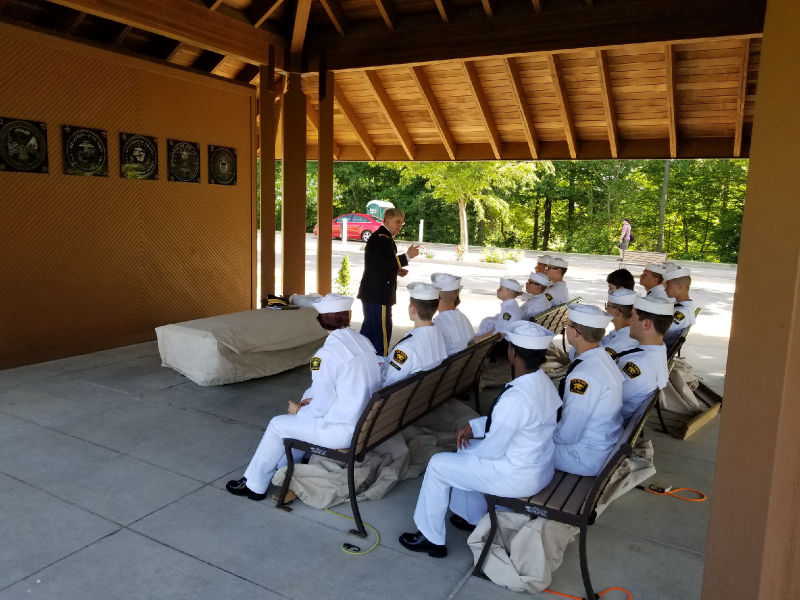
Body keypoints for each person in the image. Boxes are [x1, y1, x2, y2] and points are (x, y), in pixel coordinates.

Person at [398, 321, 562, 558]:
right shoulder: (543, 383)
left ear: (513, 353)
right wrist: (473, 427)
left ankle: (430, 537)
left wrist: (466, 448)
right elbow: (512, 423)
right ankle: (472, 517)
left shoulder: (516, 397)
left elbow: (493, 449)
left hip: (516, 475)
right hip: (538, 466)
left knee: (438, 464)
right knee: (465, 450)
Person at [226, 294, 382, 500]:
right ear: (349, 315)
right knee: (301, 411)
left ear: (321, 320)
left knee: (278, 424)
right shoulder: (363, 341)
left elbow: (320, 407)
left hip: (342, 431)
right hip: (365, 423)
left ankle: (254, 485)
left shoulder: (325, 355)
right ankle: (284, 470)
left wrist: (299, 410)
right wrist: (309, 405)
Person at [554, 304, 623, 476]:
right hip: (602, 445)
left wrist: (541, 433)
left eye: (567, 325)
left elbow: (567, 435)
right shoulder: (604, 358)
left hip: (583, 457)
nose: (566, 329)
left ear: (575, 333)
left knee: (521, 441)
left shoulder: (583, 376)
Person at [358, 208, 421, 356]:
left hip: (374, 293)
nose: (400, 226)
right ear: (386, 220)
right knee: (381, 334)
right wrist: (407, 256)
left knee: (368, 332)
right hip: (378, 295)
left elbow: (380, 264)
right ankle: (381, 363)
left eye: (401, 223)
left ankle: (360, 359)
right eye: (397, 221)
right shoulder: (381, 238)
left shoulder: (384, 237)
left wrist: (396, 270)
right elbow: (385, 263)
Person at [617, 296, 672, 423]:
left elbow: (607, 400)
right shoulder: (658, 349)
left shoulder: (638, 365)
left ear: (646, 324)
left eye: (632, 316)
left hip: (610, 424)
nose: (628, 322)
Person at [383, 282, 448, 387]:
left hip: (404, 395)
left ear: (413, 308)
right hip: (425, 391)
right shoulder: (439, 335)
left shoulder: (406, 348)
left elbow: (388, 385)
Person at [431, 273, 474, 355]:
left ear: (436, 296)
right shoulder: (463, 318)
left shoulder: (437, 324)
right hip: (462, 361)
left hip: (449, 362)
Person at [600, 288, 640, 359]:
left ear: (616, 312)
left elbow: (600, 358)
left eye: (608, 306)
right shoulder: (621, 331)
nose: (606, 309)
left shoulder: (625, 339)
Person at [663, 265, 697, 347]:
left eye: (668, 285)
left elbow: (660, 334)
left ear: (679, 287)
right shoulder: (682, 307)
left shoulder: (681, 313)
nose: (665, 288)